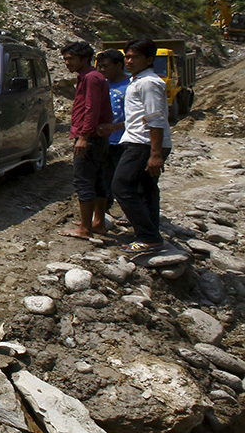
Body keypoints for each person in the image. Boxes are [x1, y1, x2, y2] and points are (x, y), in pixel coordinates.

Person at [112, 38, 189, 266]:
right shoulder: (139, 81)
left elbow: (155, 119)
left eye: (134, 57)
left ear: (149, 59)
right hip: (142, 141)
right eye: (127, 56)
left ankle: (147, 236)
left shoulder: (149, 83)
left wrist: (155, 154)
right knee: (146, 187)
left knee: (121, 186)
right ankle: (150, 233)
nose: (129, 60)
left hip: (144, 143)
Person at [60, 41, 112, 239]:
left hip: (89, 139)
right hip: (98, 138)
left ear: (84, 58)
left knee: (83, 181)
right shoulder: (93, 77)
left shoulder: (91, 78)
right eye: (65, 59)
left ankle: (85, 229)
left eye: (70, 59)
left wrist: (83, 136)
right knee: (98, 180)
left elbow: (91, 109)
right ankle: (97, 223)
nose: (66, 63)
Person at [96, 48, 130, 228]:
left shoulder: (131, 85)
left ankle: (130, 211)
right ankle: (104, 211)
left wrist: (115, 127)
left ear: (119, 65)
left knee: (124, 179)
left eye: (106, 66)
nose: (102, 70)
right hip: (104, 141)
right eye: (99, 66)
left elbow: (138, 117)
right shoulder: (102, 85)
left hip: (124, 141)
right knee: (103, 177)